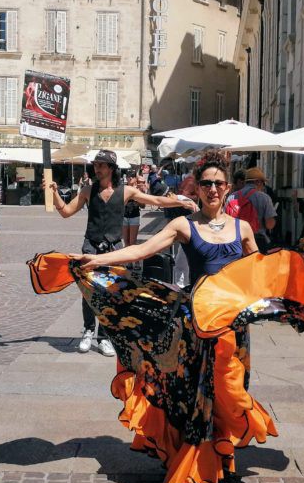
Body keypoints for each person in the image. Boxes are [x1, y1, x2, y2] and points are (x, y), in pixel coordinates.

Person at [29, 152, 304, 483]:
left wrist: (290, 302)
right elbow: (140, 251)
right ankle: (200, 464)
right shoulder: (184, 224)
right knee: (198, 396)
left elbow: (260, 273)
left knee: (230, 393)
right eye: (205, 183)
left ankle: (220, 458)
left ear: (228, 188)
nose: (212, 189)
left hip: (233, 327)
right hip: (196, 325)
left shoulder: (242, 228)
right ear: (196, 188)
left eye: (218, 183)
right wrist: (97, 259)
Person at [47, 149, 196, 356]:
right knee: (88, 290)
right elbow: (66, 212)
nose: (96, 169)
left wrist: (180, 202)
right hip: (91, 245)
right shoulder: (88, 190)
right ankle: (88, 331)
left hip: (114, 247)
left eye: (101, 165)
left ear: (111, 168)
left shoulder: (126, 191)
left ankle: (105, 336)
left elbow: (156, 201)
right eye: (95, 165)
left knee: (111, 291)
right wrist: (54, 193)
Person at [227, 167, 277, 252]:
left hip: (235, 241)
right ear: (257, 182)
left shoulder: (231, 197)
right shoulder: (264, 198)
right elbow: (269, 225)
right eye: (263, 182)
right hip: (258, 241)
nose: (263, 185)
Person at [122, 171, 142, 249]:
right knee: (126, 242)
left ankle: (135, 260)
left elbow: (143, 205)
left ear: (135, 178)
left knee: (132, 242)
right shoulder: (123, 188)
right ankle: (129, 261)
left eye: (132, 176)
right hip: (124, 216)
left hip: (134, 216)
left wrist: (137, 200)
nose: (129, 178)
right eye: (128, 176)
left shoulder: (138, 189)